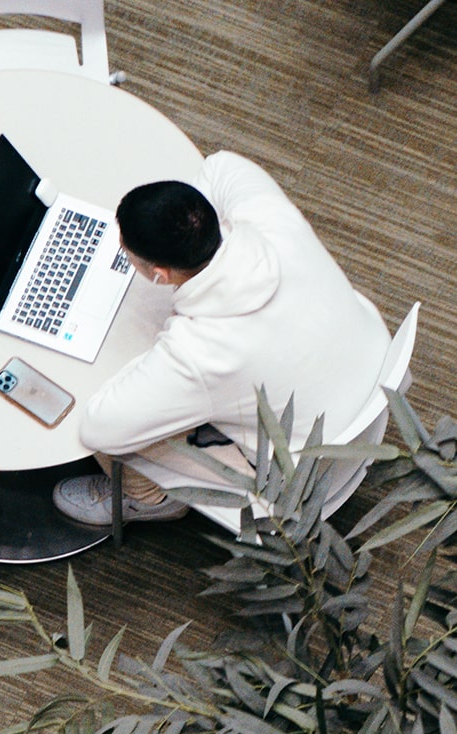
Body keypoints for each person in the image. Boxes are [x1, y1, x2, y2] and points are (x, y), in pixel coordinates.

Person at [53, 151, 393, 525]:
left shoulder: (199, 353)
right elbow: (221, 165)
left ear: (160, 275)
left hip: (306, 468)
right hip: (374, 376)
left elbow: (100, 426)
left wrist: (157, 358)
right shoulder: (269, 218)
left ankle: (149, 500)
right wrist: (183, 231)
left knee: (119, 444)